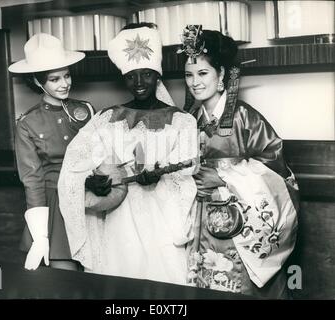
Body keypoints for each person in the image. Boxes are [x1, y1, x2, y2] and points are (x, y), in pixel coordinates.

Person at [58, 23, 198, 284]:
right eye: (131, 76)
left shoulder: (183, 121)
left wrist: (159, 178)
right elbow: (76, 163)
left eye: (146, 74)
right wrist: (91, 180)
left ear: (157, 75)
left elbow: (189, 171)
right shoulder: (107, 118)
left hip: (163, 222)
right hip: (119, 218)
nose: (139, 83)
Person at [178, 25, 299, 298]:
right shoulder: (190, 120)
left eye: (203, 73)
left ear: (221, 75)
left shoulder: (244, 118)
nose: (195, 82)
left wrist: (224, 177)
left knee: (239, 285)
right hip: (201, 220)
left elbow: (276, 166)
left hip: (242, 223)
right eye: (189, 75)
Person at [8, 33, 95, 271]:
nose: (64, 83)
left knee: (100, 281)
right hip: (55, 208)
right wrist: (40, 235)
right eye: (54, 79)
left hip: (91, 200)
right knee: (67, 282)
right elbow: (32, 180)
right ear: (38, 82)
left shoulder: (86, 110)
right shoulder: (28, 123)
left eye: (66, 76)